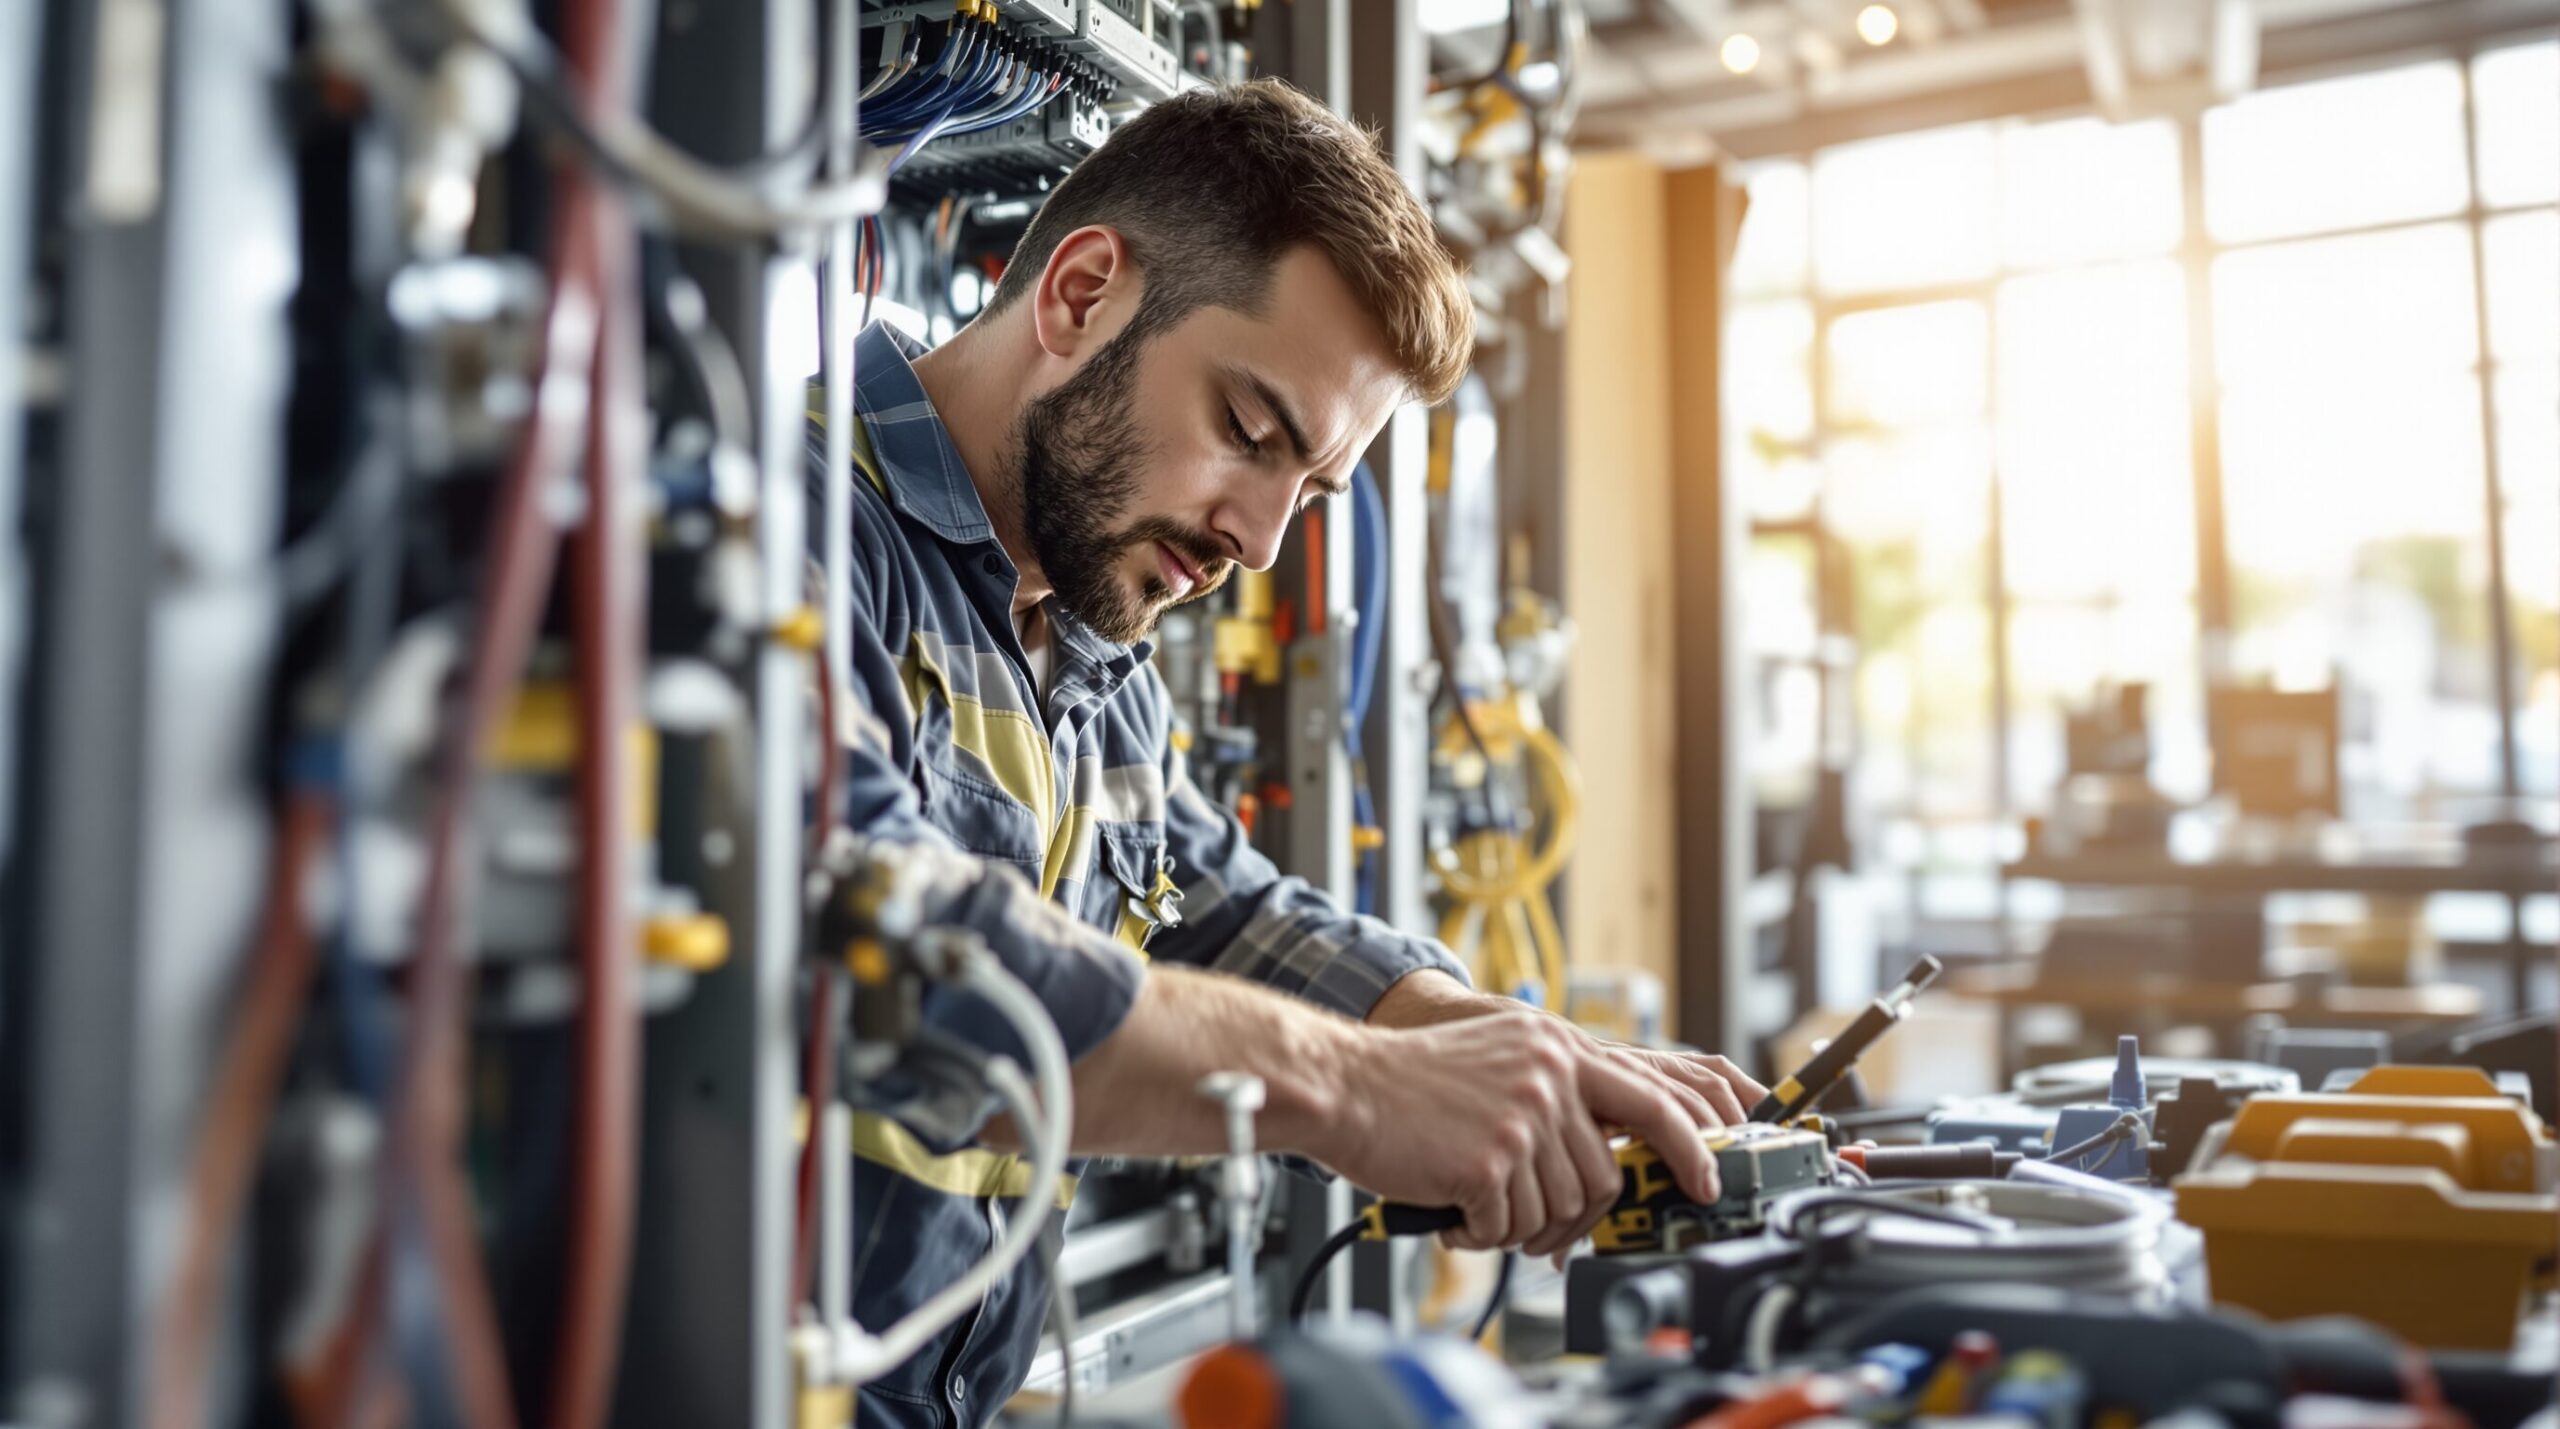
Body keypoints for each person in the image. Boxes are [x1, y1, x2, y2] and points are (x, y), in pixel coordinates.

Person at [820, 77, 1765, 1426]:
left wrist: (1500, 1042)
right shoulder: (790, 534)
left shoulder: (1080, 636)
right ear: (1082, 295)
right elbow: (892, 954)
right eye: (1250, 432)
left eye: (1310, 488)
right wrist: (1361, 1090)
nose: (1260, 540)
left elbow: (1218, 905)